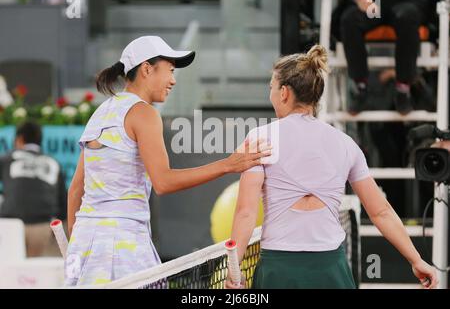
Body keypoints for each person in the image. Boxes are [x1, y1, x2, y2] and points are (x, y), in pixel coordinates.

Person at [225, 45, 438, 289]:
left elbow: (245, 212)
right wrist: (416, 260)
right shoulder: (346, 144)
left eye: (271, 88)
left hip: (279, 270)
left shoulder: (258, 139)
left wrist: (234, 271)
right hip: (331, 270)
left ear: (284, 93)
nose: (270, 94)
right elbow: (382, 212)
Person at [65, 36, 271, 286]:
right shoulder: (144, 113)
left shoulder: (100, 113)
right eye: (170, 71)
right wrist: (229, 164)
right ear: (147, 69)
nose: (173, 80)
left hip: (85, 242)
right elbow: (163, 182)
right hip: (123, 243)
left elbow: (76, 188)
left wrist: (77, 242)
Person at [338, 0, 434, 115]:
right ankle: (360, 87)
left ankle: (403, 89)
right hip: (374, 1)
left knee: (407, 16)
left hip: (406, 1)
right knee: (350, 19)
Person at [0, 121, 67, 257]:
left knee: (10, 270)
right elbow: (63, 205)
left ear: (19, 139)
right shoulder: (54, 163)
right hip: (42, 227)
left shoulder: (7, 159)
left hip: (11, 225)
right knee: (34, 273)